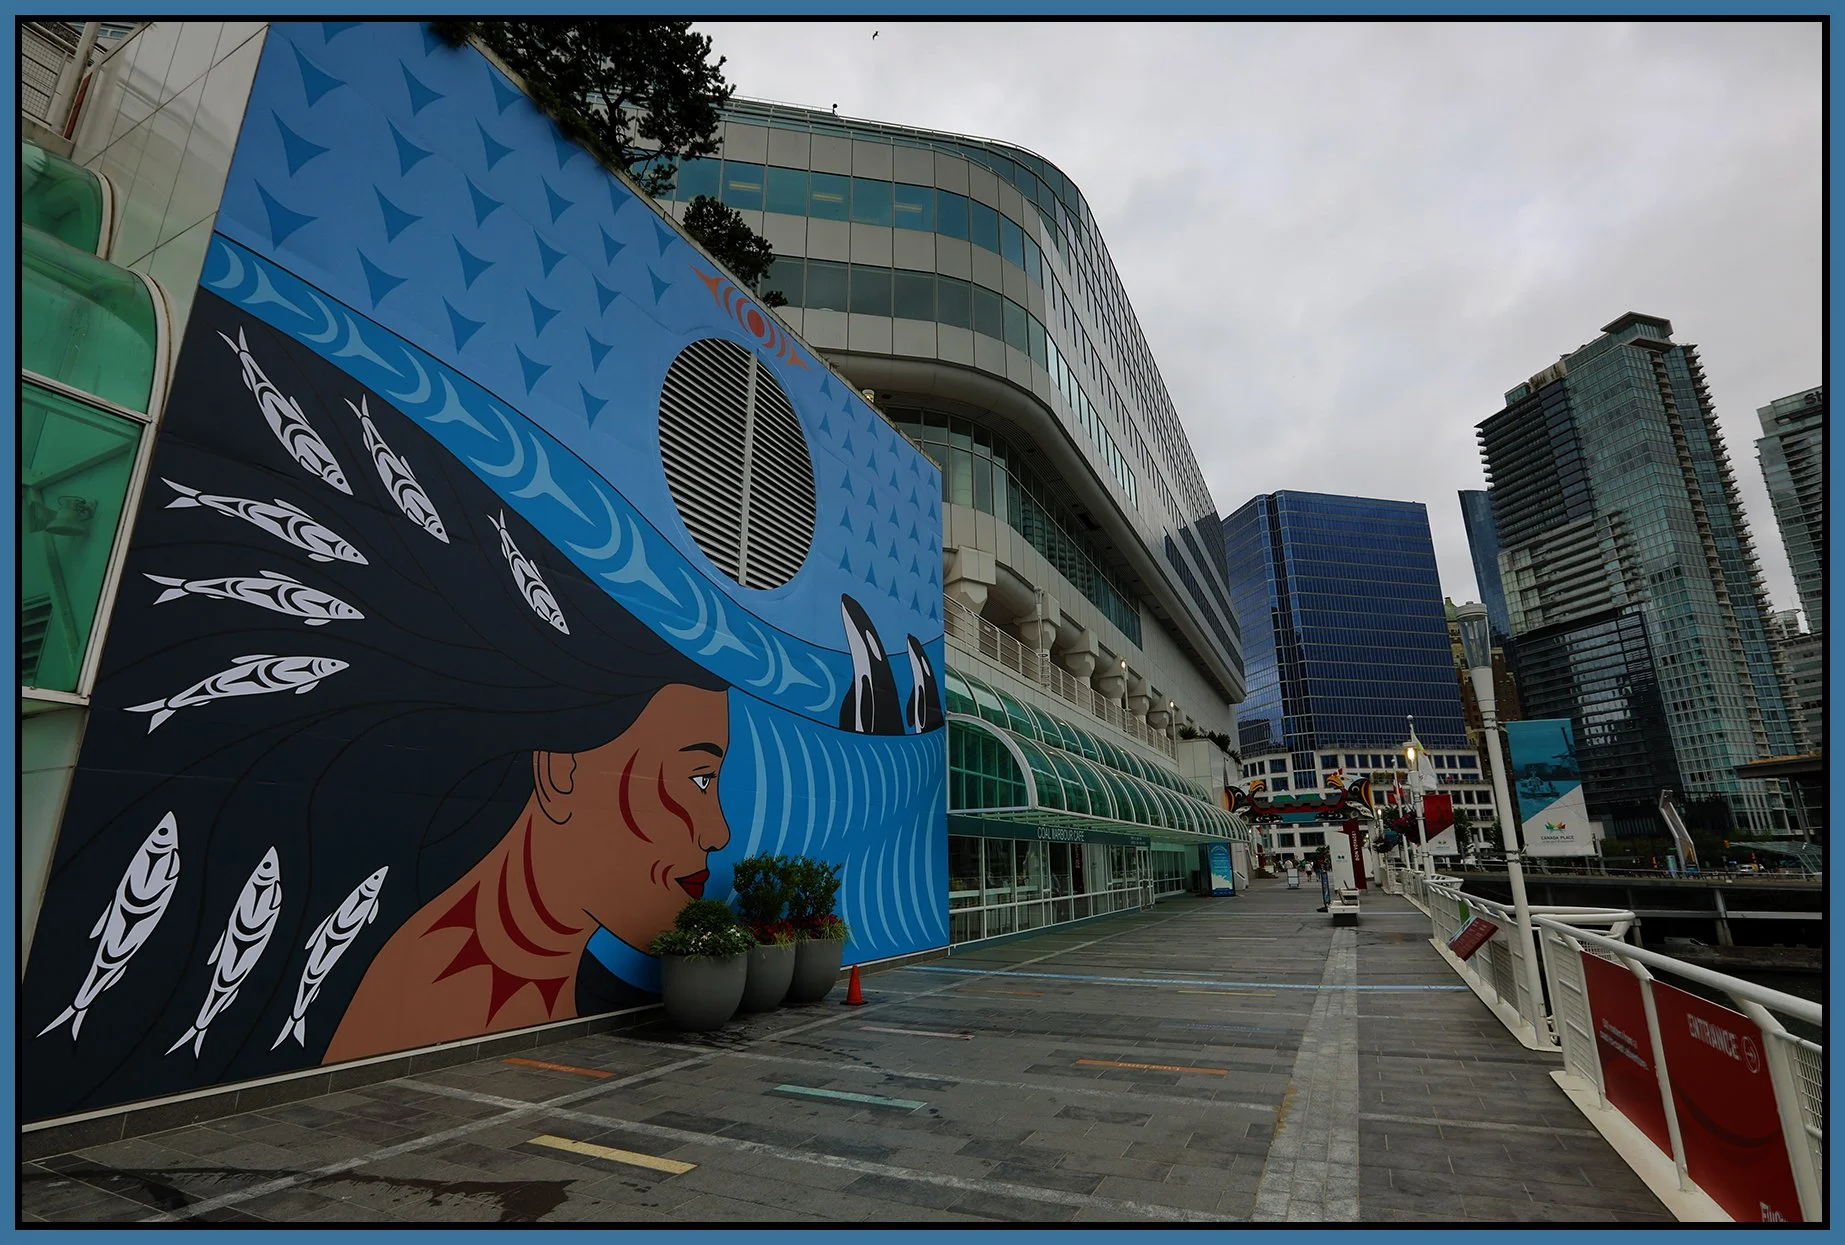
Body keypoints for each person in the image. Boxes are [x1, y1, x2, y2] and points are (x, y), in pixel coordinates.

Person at [21, 301, 734, 1118]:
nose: (717, 829)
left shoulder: (547, 983)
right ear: (560, 773)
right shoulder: (409, 985)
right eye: (697, 779)